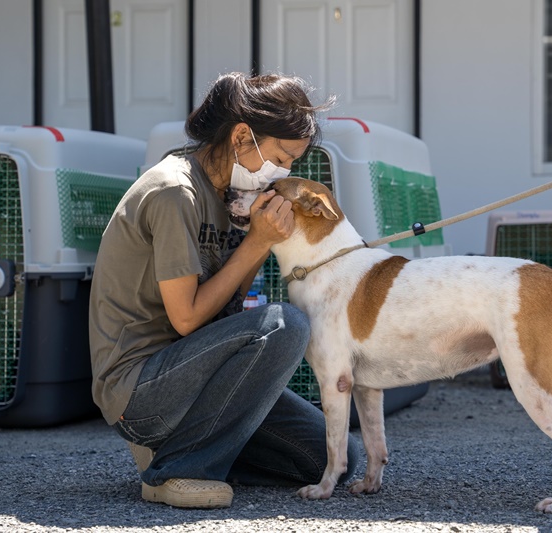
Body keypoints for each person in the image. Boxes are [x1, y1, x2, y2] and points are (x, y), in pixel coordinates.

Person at [89, 72, 358, 509]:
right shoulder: (174, 191)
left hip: (196, 373)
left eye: (293, 164)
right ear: (240, 137)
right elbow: (188, 318)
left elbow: (227, 310)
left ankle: (195, 447)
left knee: (334, 459)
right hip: (139, 390)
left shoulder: (228, 193)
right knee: (285, 324)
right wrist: (258, 241)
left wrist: (256, 239)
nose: (285, 173)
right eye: (282, 157)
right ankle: (174, 470)